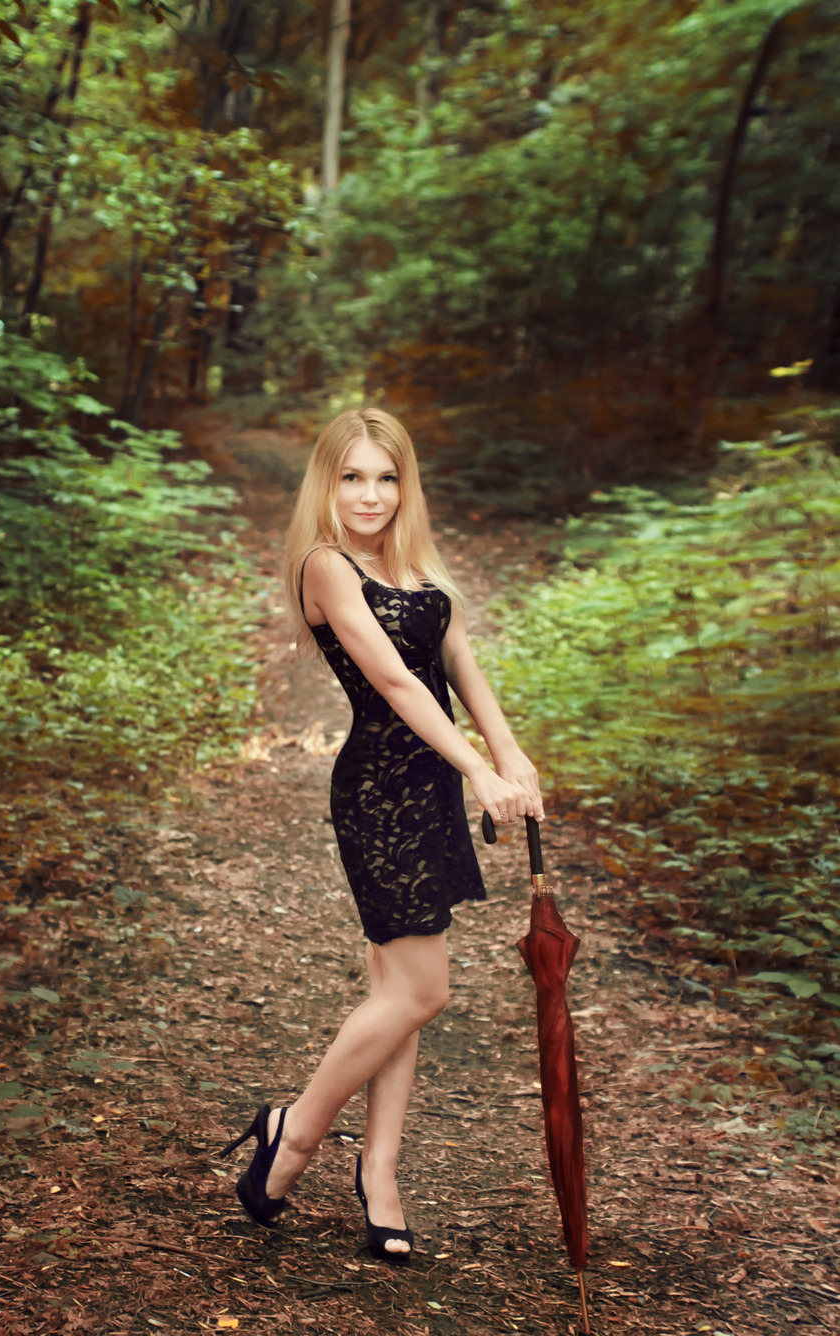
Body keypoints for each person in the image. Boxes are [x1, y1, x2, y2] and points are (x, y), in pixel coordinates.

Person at [221, 406, 543, 1262]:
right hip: (381, 790)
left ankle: (381, 1171)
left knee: (395, 994)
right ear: (325, 482)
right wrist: (478, 771)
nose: (370, 494)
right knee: (420, 992)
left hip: (431, 783)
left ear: (407, 484)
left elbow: (460, 669)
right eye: (352, 476)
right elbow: (401, 685)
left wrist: (512, 758)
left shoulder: (414, 564)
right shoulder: (324, 566)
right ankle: (292, 1130)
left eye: (387, 476)